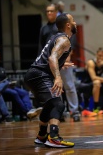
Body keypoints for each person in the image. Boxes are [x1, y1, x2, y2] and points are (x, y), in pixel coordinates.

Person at [24, 13, 77, 148]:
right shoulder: (64, 40)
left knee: (49, 104)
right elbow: (52, 58)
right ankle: (53, 137)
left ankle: (41, 136)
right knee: (58, 105)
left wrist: (61, 64)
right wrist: (58, 77)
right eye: (73, 21)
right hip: (39, 74)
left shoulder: (55, 37)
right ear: (68, 25)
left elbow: (49, 57)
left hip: (33, 74)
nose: (75, 23)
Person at [38, 3, 80, 122]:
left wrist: (68, 56)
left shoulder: (61, 26)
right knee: (56, 88)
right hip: (51, 62)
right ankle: (59, 112)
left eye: (51, 11)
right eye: (47, 11)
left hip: (64, 60)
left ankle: (75, 110)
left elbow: (71, 40)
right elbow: (42, 46)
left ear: (56, 12)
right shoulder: (44, 28)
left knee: (69, 86)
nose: (49, 13)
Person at [0, 50, 41, 120]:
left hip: (7, 87)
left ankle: (30, 110)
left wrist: (10, 83)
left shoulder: (1, 68)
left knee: (24, 92)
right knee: (14, 93)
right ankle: (27, 112)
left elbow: (6, 78)